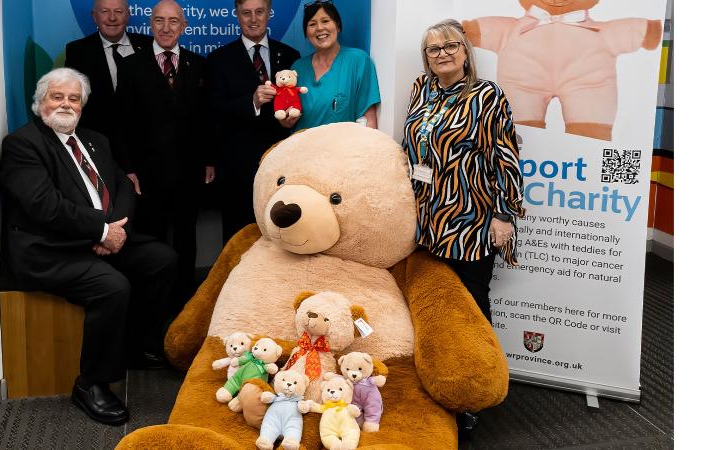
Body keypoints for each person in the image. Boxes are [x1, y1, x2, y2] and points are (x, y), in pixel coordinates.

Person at [0, 68, 179, 425]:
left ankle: (140, 345)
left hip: (97, 237)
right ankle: (91, 383)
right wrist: (100, 232)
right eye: (57, 96)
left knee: (163, 259)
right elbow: (44, 206)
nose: (66, 104)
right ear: (40, 103)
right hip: (48, 250)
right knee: (111, 286)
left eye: (74, 98)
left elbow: (122, 187)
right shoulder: (23, 144)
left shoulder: (94, 140)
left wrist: (116, 231)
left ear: (83, 105)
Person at [402, 18, 526, 434]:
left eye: (450, 45)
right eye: (433, 49)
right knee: (434, 305)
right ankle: (439, 383)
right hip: (426, 220)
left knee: (471, 306)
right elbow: (410, 148)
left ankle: (475, 392)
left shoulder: (486, 95)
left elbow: (505, 157)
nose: (442, 54)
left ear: (465, 50)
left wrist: (505, 215)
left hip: (471, 220)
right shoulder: (422, 89)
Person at [113, 0, 213, 301]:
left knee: (186, 237)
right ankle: (155, 303)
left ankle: (185, 301)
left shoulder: (198, 64)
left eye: (173, 21)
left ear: (184, 26)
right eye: (159, 20)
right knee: (152, 237)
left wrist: (209, 159)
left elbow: (207, 118)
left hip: (189, 170)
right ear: (150, 24)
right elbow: (122, 122)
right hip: (147, 174)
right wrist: (128, 169)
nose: (166, 27)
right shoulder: (131, 66)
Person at [207, 0, 300, 242]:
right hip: (237, 169)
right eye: (246, 13)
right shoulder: (218, 59)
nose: (253, 19)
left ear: (269, 14)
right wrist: (253, 102)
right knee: (238, 239)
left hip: (282, 166)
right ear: (237, 15)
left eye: (259, 12)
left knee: (281, 234)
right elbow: (214, 110)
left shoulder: (291, 56)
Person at [286, 0, 380, 130]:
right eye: (312, 24)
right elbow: (287, 118)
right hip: (302, 147)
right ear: (306, 33)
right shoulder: (298, 68)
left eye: (325, 21)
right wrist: (286, 121)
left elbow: (368, 119)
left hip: (342, 148)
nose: (319, 28)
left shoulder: (358, 61)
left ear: (338, 26)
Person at [64, 0, 152, 139]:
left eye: (118, 11)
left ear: (128, 15)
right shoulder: (77, 51)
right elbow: (73, 101)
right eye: (105, 11)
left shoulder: (150, 46)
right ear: (94, 16)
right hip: (98, 142)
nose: (112, 17)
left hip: (144, 140)